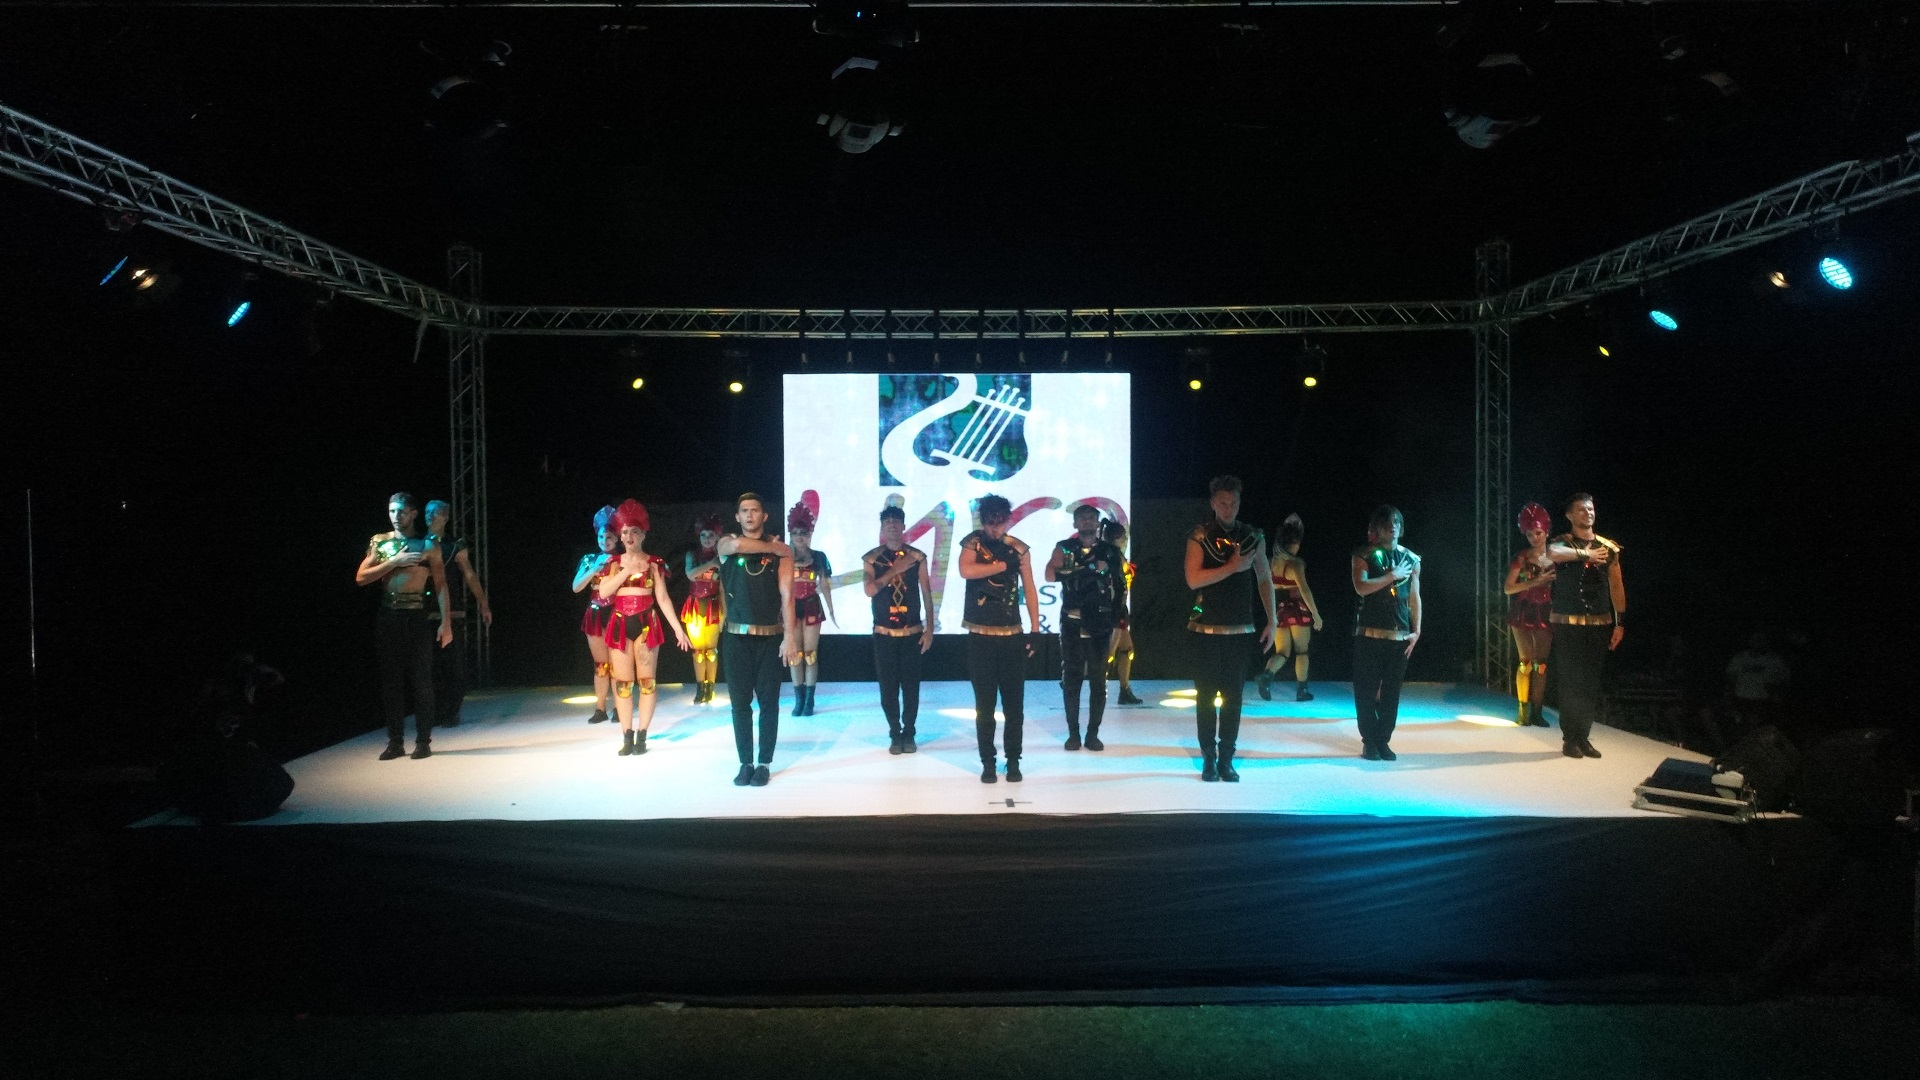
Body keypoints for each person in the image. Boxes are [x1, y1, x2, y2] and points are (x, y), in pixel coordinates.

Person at [1184, 475, 1277, 782]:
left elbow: (1264, 579)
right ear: (1213, 503)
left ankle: (1226, 758)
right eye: (1223, 503)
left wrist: (1273, 620)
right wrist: (1232, 567)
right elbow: (1193, 579)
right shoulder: (1200, 535)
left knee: (1234, 697)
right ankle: (1208, 758)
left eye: (1233, 503)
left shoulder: (1252, 536)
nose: (1228, 508)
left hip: (1240, 628)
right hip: (1206, 628)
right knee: (1206, 695)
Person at [354, 492, 452, 760]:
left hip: (416, 616)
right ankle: (395, 742)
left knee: (421, 681)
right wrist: (392, 562)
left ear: (413, 514)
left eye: (401, 511)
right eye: (392, 511)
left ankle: (423, 741)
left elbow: (441, 585)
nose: (395, 516)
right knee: (391, 682)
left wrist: (446, 623)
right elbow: (361, 577)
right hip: (389, 616)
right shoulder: (381, 542)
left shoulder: (427, 545)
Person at [596, 499, 692, 756]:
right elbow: (604, 592)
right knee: (623, 684)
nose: (629, 536)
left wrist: (678, 629)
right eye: (625, 531)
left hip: (646, 624)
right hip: (620, 623)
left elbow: (663, 598)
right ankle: (627, 735)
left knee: (647, 682)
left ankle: (642, 734)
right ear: (620, 534)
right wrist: (624, 571)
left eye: (634, 531)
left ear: (643, 533)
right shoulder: (613, 563)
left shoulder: (654, 563)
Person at [958, 494, 1042, 784]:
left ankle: (1014, 760)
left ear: (1007, 521)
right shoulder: (972, 543)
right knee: (984, 706)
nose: (994, 528)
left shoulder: (1018, 548)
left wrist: (1035, 629)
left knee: (1014, 705)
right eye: (990, 522)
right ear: (983, 521)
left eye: (999, 522)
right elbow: (966, 570)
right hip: (980, 635)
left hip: (1011, 634)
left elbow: (1029, 587)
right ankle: (988, 762)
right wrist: (1002, 566)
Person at [717, 492, 796, 787]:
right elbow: (737, 545)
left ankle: (764, 763)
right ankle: (745, 762)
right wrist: (775, 547)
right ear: (737, 516)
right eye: (744, 511)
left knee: (768, 703)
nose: (750, 515)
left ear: (764, 516)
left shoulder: (780, 556)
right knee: (740, 704)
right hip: (736, 637)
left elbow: (788, 597)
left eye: (755, 510)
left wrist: (790, 637)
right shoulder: (726, 544)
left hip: (769, 637)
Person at [1546, 492, 1625, 760]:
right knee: (1570, 680)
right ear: (1570, 515)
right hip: (1568, 622)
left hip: (1599, 622)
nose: (1588, 513)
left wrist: (1620, 623)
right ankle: (1570, 738)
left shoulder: (1608, 547)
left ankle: (1583, 736)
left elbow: (1616, 586)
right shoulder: (1562, 543)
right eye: (1581, 509)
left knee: (1590, 682)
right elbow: (1552, 553)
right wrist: (1584, 554)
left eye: (1590, 508)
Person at [1046, 503, 1126, 751]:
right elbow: (1050, 574)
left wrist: (1116, 615)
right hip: (1072, 619)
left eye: (1092, 517)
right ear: (1075, 523)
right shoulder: (1065, 547)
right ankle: (1073, 733)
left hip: (1100, 621)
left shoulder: (1110, 551)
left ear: (1098, 522)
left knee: (1098, 679)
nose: (1087, 521)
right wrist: (1090, 569)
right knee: (1072, 678)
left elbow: (1121, 585)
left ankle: (1093, 733)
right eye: (1082, 518)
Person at [1350, 505, 1422, 761]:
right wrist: (1392, 576)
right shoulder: (1364, 555)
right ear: (1377, 528)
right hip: (1369, 634)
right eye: (1387, 523)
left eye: (1396, 522)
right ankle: (1369, 741)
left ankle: (1382, 740)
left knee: (1392, 693)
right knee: (1366, 691)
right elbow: (1361, 587)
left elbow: (1414, 597)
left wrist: (1417, 630)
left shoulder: (1411, 559)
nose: (1393, 527)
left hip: (1399, 635)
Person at [863, 504, 934, 754]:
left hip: (912, 632)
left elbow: (927, 593)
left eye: (896, 521)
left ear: (903, 526)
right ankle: (895, 733)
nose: (892, 525)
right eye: (887, 522)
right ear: (882, 528)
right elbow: (869, 590)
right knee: (888, 688)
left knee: (911, 687)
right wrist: (894, 570)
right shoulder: (872, 558)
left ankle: (909, 732)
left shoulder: (917, 557)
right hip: (884, 633)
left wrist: (930, 629)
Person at [421, 499, 493, 728]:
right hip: (423, 611)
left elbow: (469, 574)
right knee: (429, 667)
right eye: (427, 512)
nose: (430, 516)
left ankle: (451, 712)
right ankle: (433, 712)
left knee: (454, 665)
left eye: (435, 513)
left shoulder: (454, 545)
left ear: (446, 518)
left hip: (452, 611)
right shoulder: (419, 543)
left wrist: (483, 603)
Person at [1257, 513, 1324, 703]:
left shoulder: (1271, 562)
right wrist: (1316, 615)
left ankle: (1266, 677)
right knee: (1302, 651)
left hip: (1279, 610)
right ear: (1294, 543)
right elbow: (1305, 591)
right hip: (1298, 611)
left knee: (1282, 652)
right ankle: (1302, 691)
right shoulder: (1295, 564)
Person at [1503, 502, 1556, 728]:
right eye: (1530, 534)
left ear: (1546, 532)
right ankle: (1523, 711)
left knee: (1541, 664)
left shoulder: (1556, 556)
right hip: (1523, 610)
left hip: (1546, 610)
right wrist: (1535, 582)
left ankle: (1537, 711)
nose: (1534, 537)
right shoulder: (1522, 557)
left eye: (1538, 533)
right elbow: (1508, 588)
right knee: (1525, 662)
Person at [786, 501, 838, 716]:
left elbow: (824, 584)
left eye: (804, 532)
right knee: (794, 655)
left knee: (810, 654)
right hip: (790, 608)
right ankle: (798, 699)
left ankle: (809, 700)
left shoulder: (819, 557)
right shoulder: (784, 556)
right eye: (796, 533)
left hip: (811, 606)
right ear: (790, 533)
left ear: (810, 533)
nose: (800, 537)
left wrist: (831, 610)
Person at [571, 505, 621, 724]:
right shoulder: (590, 559)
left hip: (617, 613)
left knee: (618, 665)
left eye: (609, 537)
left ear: (617, 538)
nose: (604, 540)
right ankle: (600, 709)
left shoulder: (623, 559)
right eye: (601, 536)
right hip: (595, 614)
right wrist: (593, 569)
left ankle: (620, 707)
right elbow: (576, 587)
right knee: (601, 665)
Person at [681, 513, 726, 704]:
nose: (707, 539)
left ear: (717, 537)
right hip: (695, 607)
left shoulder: (721, 558)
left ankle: (710, 688)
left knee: (712, 650)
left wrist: (724, 614)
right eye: (703, 535)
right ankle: (701, 687)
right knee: (699, 651)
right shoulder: (692, 555)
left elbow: (722, 588)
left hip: (713, 607)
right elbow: (691, 574)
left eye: (711, 535)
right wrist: (711, 564)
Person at [1102, 519, 1144, 706]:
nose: (1126, 540)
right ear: (1117, 539)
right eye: (1124, 537)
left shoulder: (1117, 556)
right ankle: (1079, 679)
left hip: (1120, 608)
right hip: (1114, 609)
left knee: (1126, 649)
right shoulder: (1112, 557)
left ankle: (1124, 690)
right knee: (1108, 652)